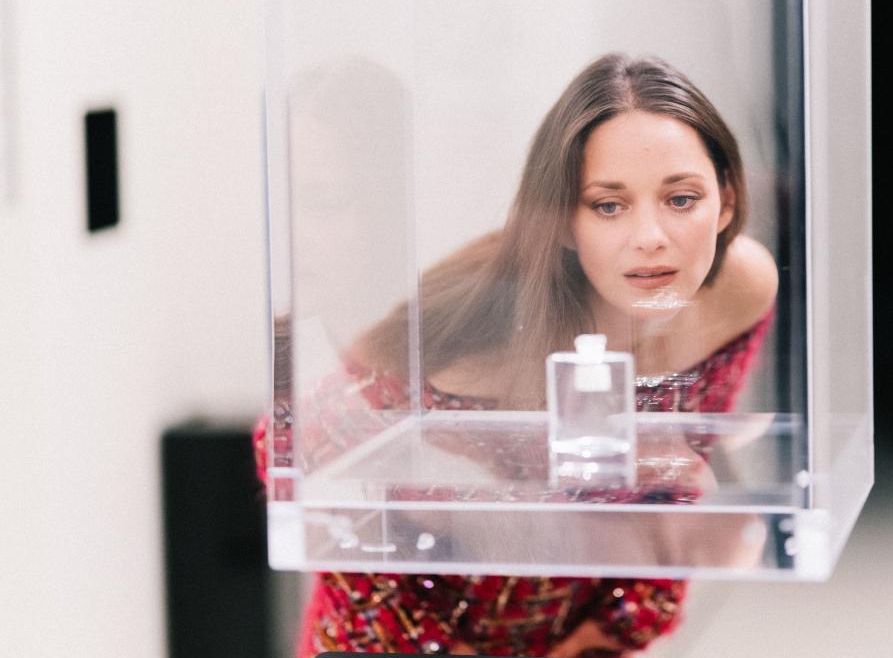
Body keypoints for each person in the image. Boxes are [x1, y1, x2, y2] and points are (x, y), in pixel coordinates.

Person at [255, 53, 778, 657]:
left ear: (729, 201)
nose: (651, 236)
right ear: (561, 221)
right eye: (609, 205)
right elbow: (295, 451)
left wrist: (618, 626)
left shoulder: (739, 288)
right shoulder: (482, 341)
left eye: (682, 199)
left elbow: (681, 479)